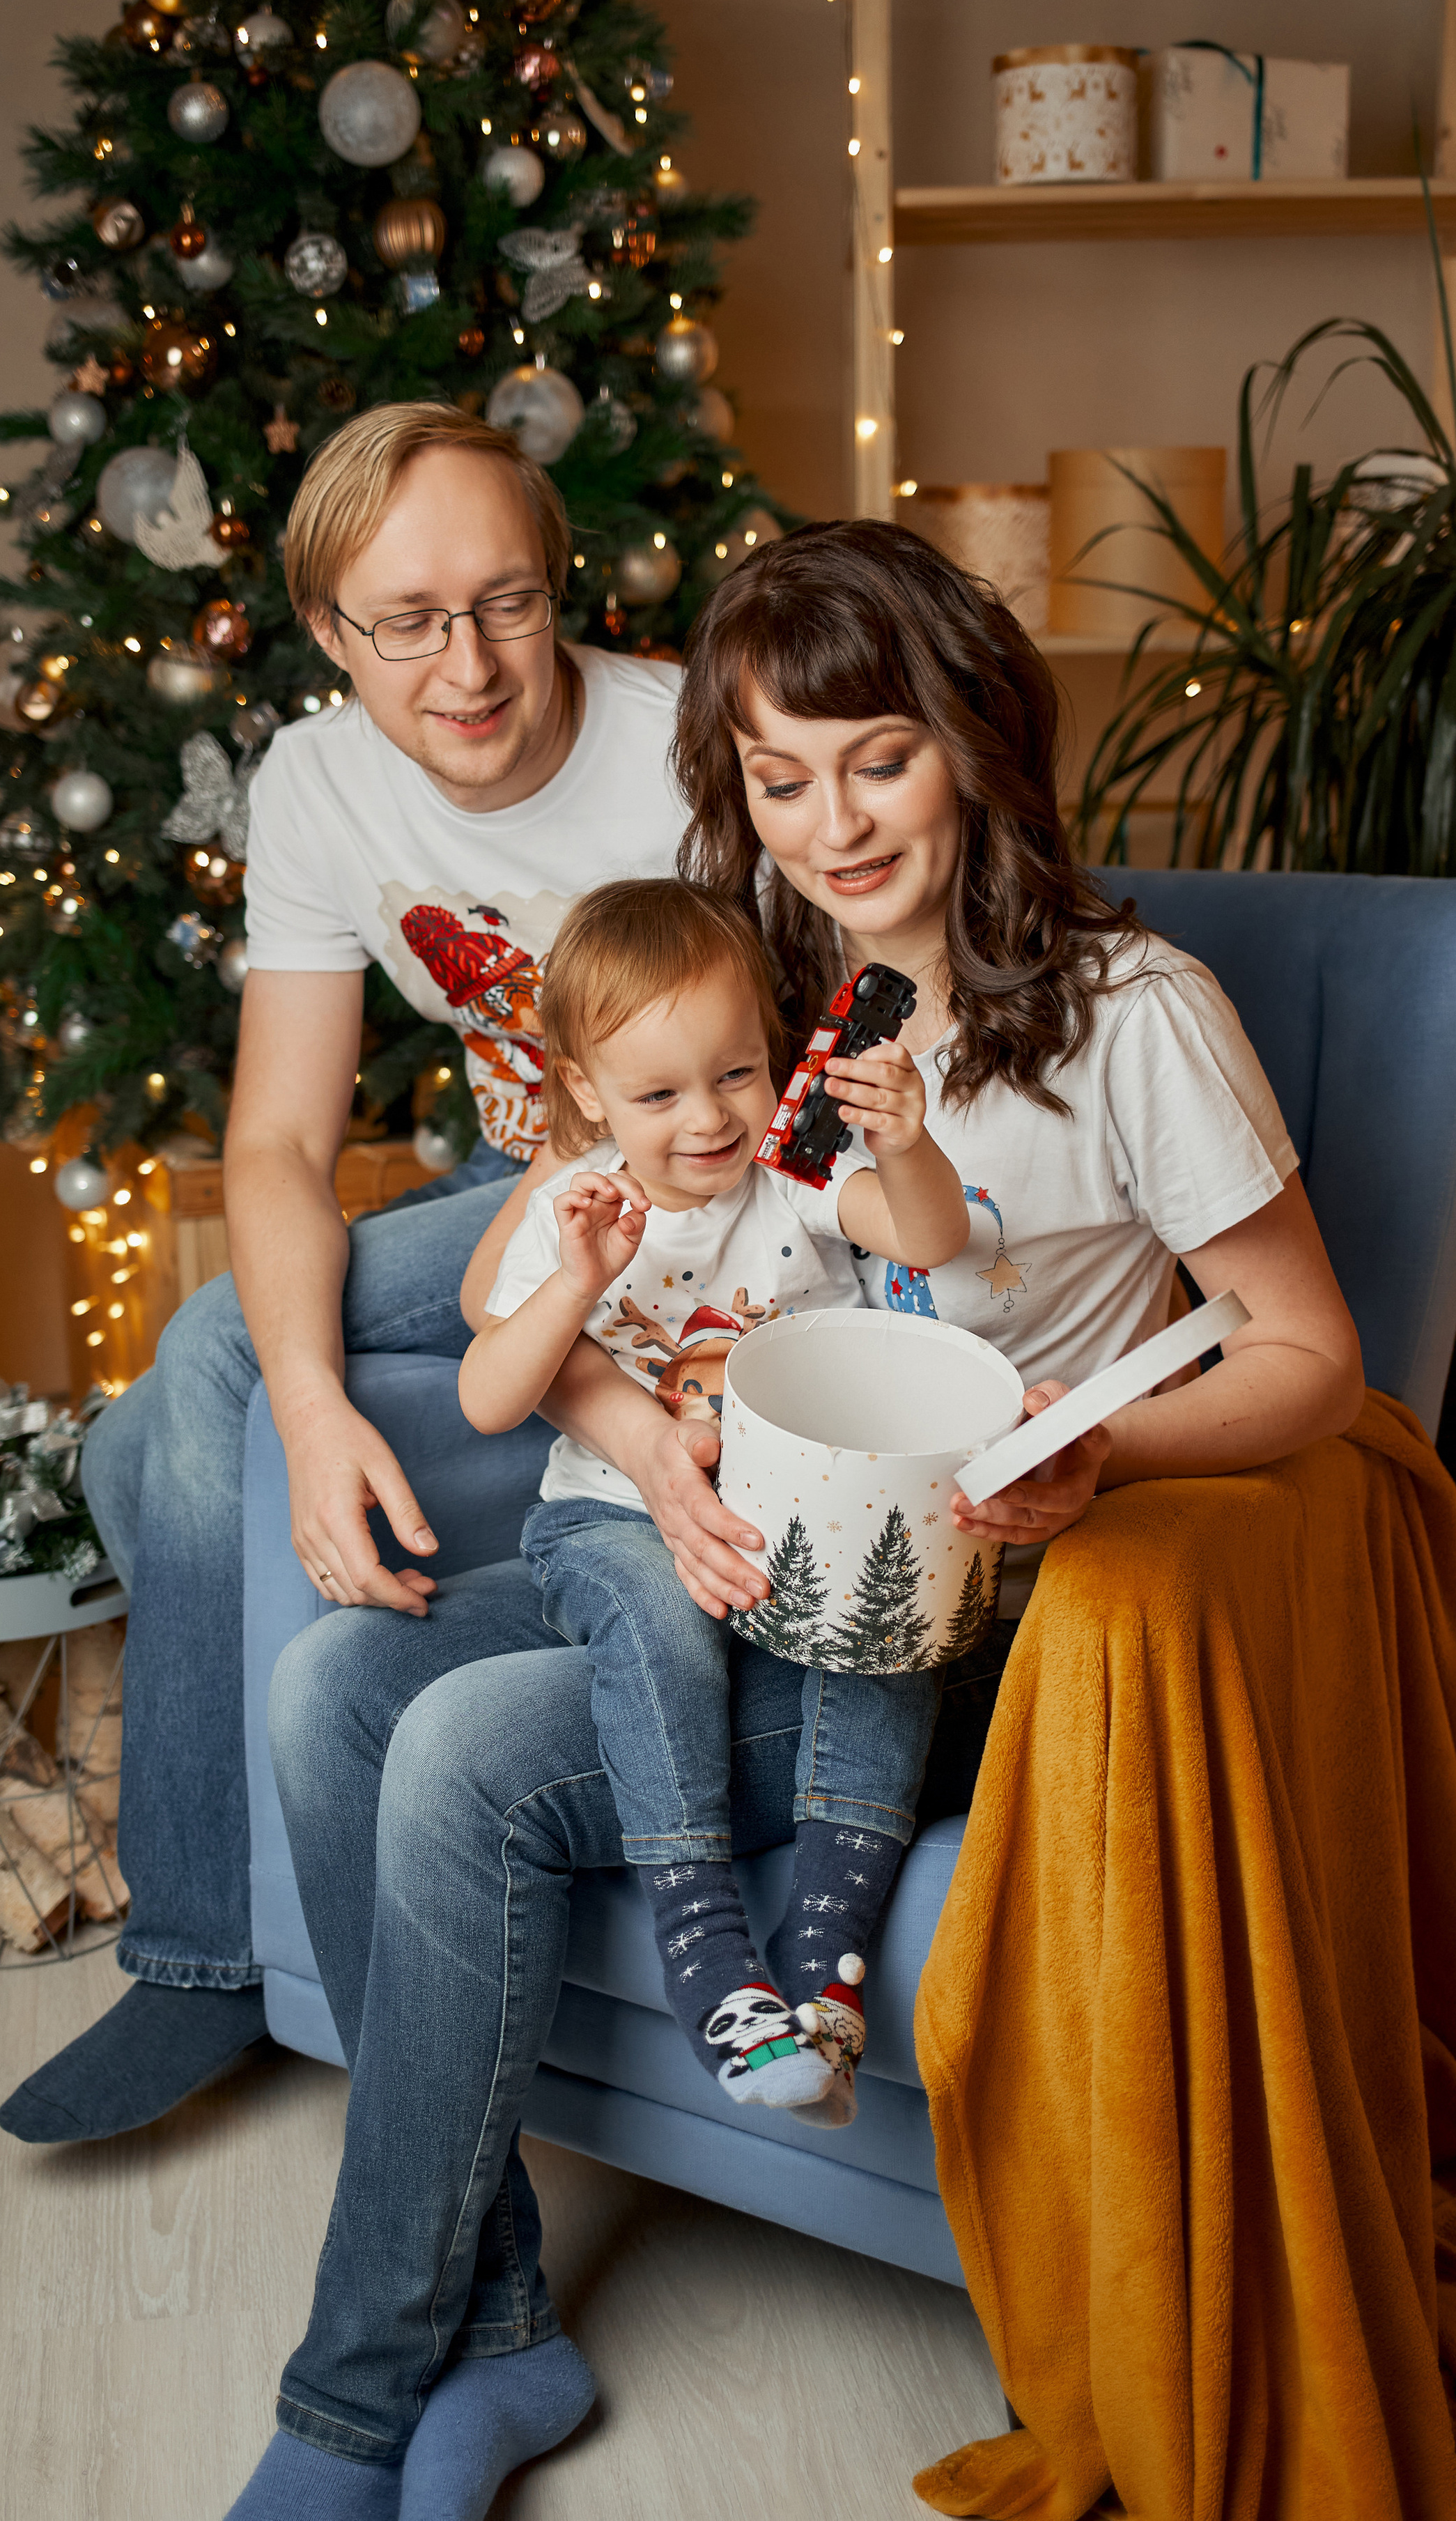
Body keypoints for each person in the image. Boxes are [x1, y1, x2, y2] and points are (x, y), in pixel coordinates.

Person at [226, 521, 1363, 2518]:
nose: (832, 821)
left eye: (879, 756)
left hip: (931, 1604)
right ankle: (491, 2336)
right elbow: (619, 1273)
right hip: (705, 1544)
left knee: (474, 1758)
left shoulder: (1130, 1009)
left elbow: (1306, 1354)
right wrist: (641, 1440)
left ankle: (344, 2409)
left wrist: (1110, 1459)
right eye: (778, 775)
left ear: (977, 740)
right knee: (332, 1685)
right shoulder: (770, 1004)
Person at [0, 403, 686, 2145]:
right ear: (329, 633)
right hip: (508, 1180)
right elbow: (281, 1145)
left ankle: (202, 1963)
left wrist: (281, 1371)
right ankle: (232, 1955)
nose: (464, 665)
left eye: (506, 604)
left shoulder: (684, 750)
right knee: (176, 1410)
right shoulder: (315, 781)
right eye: (406, 620)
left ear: (555, 592)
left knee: (201, 1363)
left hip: (689, 1180)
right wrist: (311, 1406)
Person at [463, 874, 968, 2127]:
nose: (707, 1120)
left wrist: (905, 1142)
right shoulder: (570, 1208)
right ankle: (710, 1958)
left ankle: (824, 1972)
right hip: (613, 1523)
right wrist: (574, 1280)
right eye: (657, 1093)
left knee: (885, 1629)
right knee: (654, 1618)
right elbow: (488, 1396)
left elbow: (931, 1240)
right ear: (582, 1090)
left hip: (793, 1528)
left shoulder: (794, 1181)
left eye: (736, 1075)